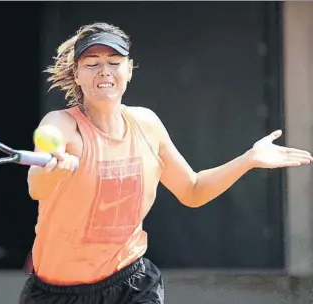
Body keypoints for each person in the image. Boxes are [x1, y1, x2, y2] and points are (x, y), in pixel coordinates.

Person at [20, 22, 312, 304]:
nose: (104, 71)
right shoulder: (61, 124)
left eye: (114, 61)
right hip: (56, 293)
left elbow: (193, 189)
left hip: (130, 285)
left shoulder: (147, 124)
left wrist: (247, 160)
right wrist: (52, 170)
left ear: (129, 70)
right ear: (77, 75)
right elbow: (37, 186)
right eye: (92, 63)